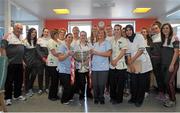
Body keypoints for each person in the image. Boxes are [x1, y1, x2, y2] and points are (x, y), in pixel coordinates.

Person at [125, 25, 152, 107]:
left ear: (132, 30)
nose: (128, 31)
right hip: (133, 62)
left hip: (143, 62)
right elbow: (128, 53)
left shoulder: (139, 36)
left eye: (130, 30)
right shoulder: (127, 40)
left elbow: (141, 50)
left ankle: (140, 100)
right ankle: (133, 98)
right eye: (127, 30)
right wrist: (130, 63)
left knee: (141, 82)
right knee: (133, 82)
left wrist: (131, 60)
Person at [1, 23, 26, 106]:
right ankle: (7, 98)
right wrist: (5, 60)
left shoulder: (21, 37)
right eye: (18, 28)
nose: (20, 30)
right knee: (9, 81)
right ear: (14, 28)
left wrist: (22, 61)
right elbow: (2, 48)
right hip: (10, 63)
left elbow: (21, 51)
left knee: (19, 80)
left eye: (21, 29)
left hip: (19, 63)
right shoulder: (8, 36)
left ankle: (17, 95)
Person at [160, 23, 179, 107]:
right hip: (164, 64)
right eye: (163, 28)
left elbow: (176, 52)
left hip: (172, 64)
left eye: (167, 28)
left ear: (170, 29)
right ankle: (170, 96)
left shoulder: (175, 38)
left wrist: (172, 65)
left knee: (169, 82)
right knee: (166, 82)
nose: (165, 30)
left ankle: (173, 100)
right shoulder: (163, 39)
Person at [91, 30, 112, 104]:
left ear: (104, 35)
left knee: (101, 84)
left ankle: (101, 97)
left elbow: (108, 54)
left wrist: (96, 53)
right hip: (94, 67)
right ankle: (96, 98)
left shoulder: (107, 43)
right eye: (99, 33)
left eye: (102, 33)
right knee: (95, 84)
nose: (100, 34)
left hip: (103, 67)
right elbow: (91, 54)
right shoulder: (95, 44)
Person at [109, 24, 128, 104]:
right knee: (112, 83)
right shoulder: (111, 40)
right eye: (115, 29)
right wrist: (111, 60)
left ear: (121, 30)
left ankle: (119, 99)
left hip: (121, 65)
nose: (116, 31)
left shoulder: (124, 40)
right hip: (112, 65)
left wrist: (115, 60)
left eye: (118, 29)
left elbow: (123, 52)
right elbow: (109, 51)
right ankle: (112, 97)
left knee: (120, 84)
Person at [24, 28, 44, 97]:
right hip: (28, 61)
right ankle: (27, 90)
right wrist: (24, 62)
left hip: (35, 62)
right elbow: (23, 53)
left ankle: (30, 88)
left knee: (33, 75)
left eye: (35, 32)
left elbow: (38, 51)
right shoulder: (25, 41)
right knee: (27, 76)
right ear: (29, 33)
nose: (34, 33)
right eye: (32, 32)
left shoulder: (36, 41)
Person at [73, 31, 93, 102]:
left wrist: (88, 60)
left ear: (86, 36)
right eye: (81, 35)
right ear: (80, 36)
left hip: (88, 65)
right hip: (79, 66)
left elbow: (92, 53)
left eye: (84, 35)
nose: (83, 37)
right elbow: (74, 54)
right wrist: (78, 60)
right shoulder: (76, 44)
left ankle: (88, 93)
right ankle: (82, 94)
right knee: (82, 82)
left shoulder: (89, 44)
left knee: (89, 81)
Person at [57, 33, 74, 105]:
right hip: (63, 70)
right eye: (69, 37)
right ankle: (63, 100)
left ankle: (68, 98)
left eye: (71, 37)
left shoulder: (72, 47)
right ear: (66, 38)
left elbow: (73, 58)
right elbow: (60, 58)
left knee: (70, 85)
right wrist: (67, 54)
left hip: (70, 70)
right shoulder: (62, 46)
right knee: (66, 86)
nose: (70, 39)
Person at [47, 29, 60, 101]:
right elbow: (54, 53)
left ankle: (55, 94)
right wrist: (64, 55)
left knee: (56, 80)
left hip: (58, 63)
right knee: (54, 80)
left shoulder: (58, 41)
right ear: (53, 34)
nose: (57, 35)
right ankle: (51, 96)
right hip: (52, 64)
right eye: (56, 34)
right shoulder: (50, 41)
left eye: (57, 34)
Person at [37, 28, 50, 94]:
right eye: (45, 32)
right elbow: (38, 50)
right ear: (43, 32)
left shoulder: (50, 40)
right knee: (40, 74)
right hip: (40, 59)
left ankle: (47, 88)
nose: (46, 33)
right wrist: (43, 58)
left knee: (47, 74)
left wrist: (48, 58)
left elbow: (50, 50)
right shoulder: (39, 39)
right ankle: (40, 88)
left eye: (47, 32)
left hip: (48, 59)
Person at [141, 27, 153, 98]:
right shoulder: (139, 41)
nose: (143, 33)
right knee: (142, 77)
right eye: (142, 32)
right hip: (141, 62)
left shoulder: (150, 41)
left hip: (148, 62)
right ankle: (142, 90)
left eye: (144, 32)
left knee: (147, 77)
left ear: (147, 33)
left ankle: (146, 91)